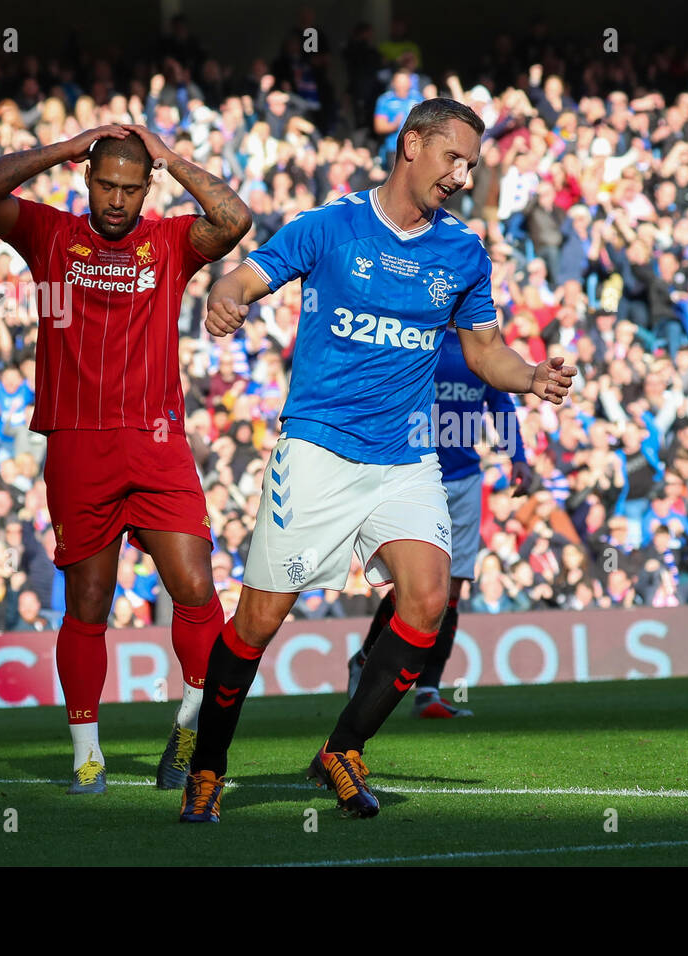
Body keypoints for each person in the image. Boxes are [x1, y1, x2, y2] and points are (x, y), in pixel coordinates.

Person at [180, 98, 576, 822]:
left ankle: (343, 747)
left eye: (471, 165)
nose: (461, 176)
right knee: (257, 625)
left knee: (428, 601)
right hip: (318, 451)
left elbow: (485, 351)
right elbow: (247, 276)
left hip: (405, 457)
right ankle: (206, 763)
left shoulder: (461, 251)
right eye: (452, 158)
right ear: (411, 144)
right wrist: (224, 295)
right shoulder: (329, 227)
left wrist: (532, 377)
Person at [0, 124, 251, 792]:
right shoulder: (50, 235)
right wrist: (67, 146)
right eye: (106, 184)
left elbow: (234, 218)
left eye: (130, 187)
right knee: (89, 604)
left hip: (157, 443)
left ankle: (189, 727)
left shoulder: (171, 241)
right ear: (87, 181)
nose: (117, 200)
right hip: (77, 443)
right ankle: (86, 755)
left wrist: (171, 157)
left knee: (197, 586)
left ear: (145, 188)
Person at [346, 323, 534, 718]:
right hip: (413, 474)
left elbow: (499, 402)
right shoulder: (414, 337)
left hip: (465, 478)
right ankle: (366, 659)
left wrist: (517, 455)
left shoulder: (485, 347)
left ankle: (427, 692)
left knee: (451, 591)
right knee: (415, 587)